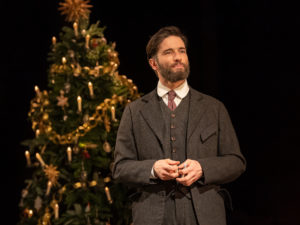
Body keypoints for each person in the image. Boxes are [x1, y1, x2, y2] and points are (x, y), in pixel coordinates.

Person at [112, 26, 246, 225]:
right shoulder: (135, 111)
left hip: (204, 216)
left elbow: (236, 162)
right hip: (153, 216)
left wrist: (203, 168)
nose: (178, 57)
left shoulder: (214, 108)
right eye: (169, 52)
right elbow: (120, 168)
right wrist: (153, 169)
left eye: (182, 51)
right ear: (153, 64)